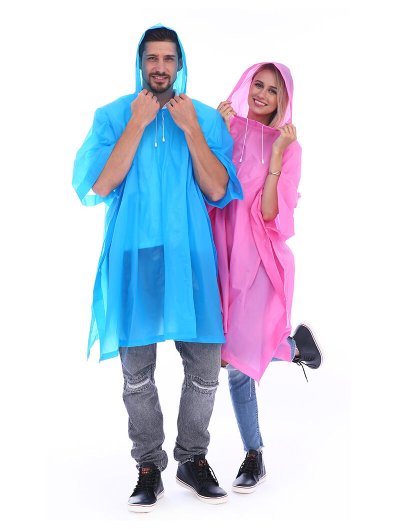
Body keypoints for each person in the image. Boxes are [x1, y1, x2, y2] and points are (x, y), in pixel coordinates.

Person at [72, 25, 243, 512]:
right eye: (153, 58)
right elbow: (99, 185)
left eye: (169, 58)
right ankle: (149, 465)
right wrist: (136, 124)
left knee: (205, 366)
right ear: (141, 62)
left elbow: (217, 189)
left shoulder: (203, 117)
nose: (161, 67)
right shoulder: (113, 115)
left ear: (180, 63)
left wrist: (191, 129)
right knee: (137, 372)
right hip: (137, 254)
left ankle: (192, 458)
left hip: (190, 255)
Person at [212, 62, 322, 493]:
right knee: (225, 351)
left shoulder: (289, 147)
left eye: (272, 90)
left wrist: (276, 156)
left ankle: (253, 455)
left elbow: (271, 213)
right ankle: (295, 347)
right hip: (221, 252)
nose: (261, 94)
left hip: (257, 257)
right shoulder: (227, 127)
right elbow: (209, 188)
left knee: (234, 361)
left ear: (282, 100)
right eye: (257, 84)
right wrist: (215, 134)